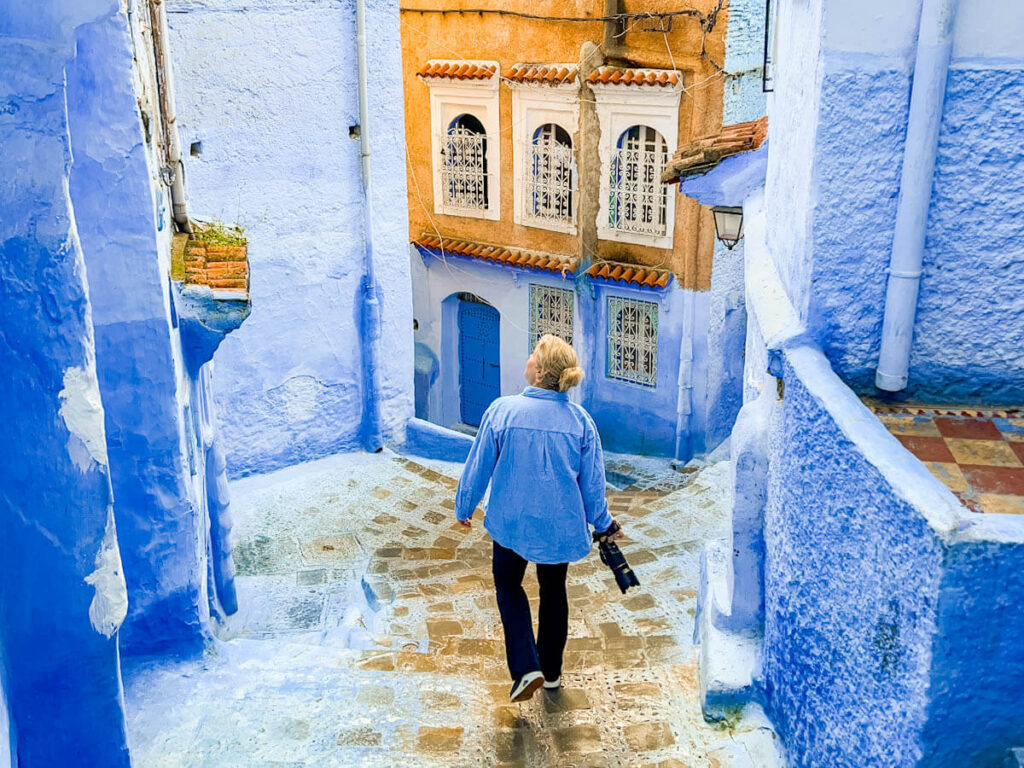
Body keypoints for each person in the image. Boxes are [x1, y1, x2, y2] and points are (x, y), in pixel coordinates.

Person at [454, 334, 625, 703]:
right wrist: (604, 523)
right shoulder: (581, 422)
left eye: (533, 354)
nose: (528, 357)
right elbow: (593, 484)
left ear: (540, 371)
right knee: (553, 589)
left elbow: (478, 465)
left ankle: (524, 666)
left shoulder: (502, 411)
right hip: (559, 525)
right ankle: (550, 672)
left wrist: (464, 506)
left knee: (508, 585)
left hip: (511, 522)